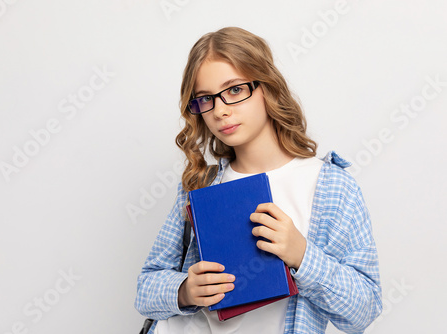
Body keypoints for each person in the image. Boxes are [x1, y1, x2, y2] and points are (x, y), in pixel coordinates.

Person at [135, 27, 382, 334]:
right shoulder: (201, 184)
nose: (221, 111)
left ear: (267, 87)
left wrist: (302, 256)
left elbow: (365, 310)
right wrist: (185, 290)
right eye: (205, 99)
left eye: (235, 90)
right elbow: (146, 288)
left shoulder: (332, 187)